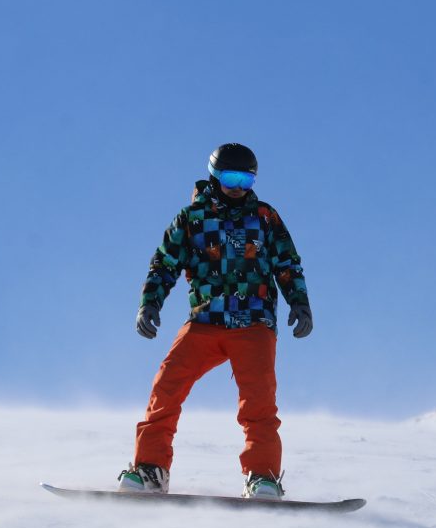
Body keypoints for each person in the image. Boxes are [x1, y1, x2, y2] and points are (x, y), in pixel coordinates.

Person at [117, 143, 312, 499]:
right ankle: (150, 469)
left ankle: (263, 477)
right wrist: (150, 304)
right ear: (214, 175)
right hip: (205, 319)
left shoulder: (265, 218)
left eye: (246, 178)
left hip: (253, 322)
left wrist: (299, 303)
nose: (237, 186)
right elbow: (164, 264)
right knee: (166, 387)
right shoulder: (192, 219)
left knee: (258, 403)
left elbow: (287, 263)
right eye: (229, 177)